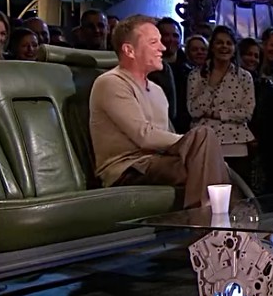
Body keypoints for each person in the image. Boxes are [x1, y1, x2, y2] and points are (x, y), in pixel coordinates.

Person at [89, 14, 231, 209]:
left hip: (158, 161)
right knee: (205, 148)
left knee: (212, 163)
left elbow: (165, 140)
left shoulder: (156, 90)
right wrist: (193, 142)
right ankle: (208, 223)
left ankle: (217, 222)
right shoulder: (111, 83)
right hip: (127, 168)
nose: (163, 48)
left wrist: (202, 149)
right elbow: (145, 137)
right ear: (129, 50)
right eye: (153, 42)